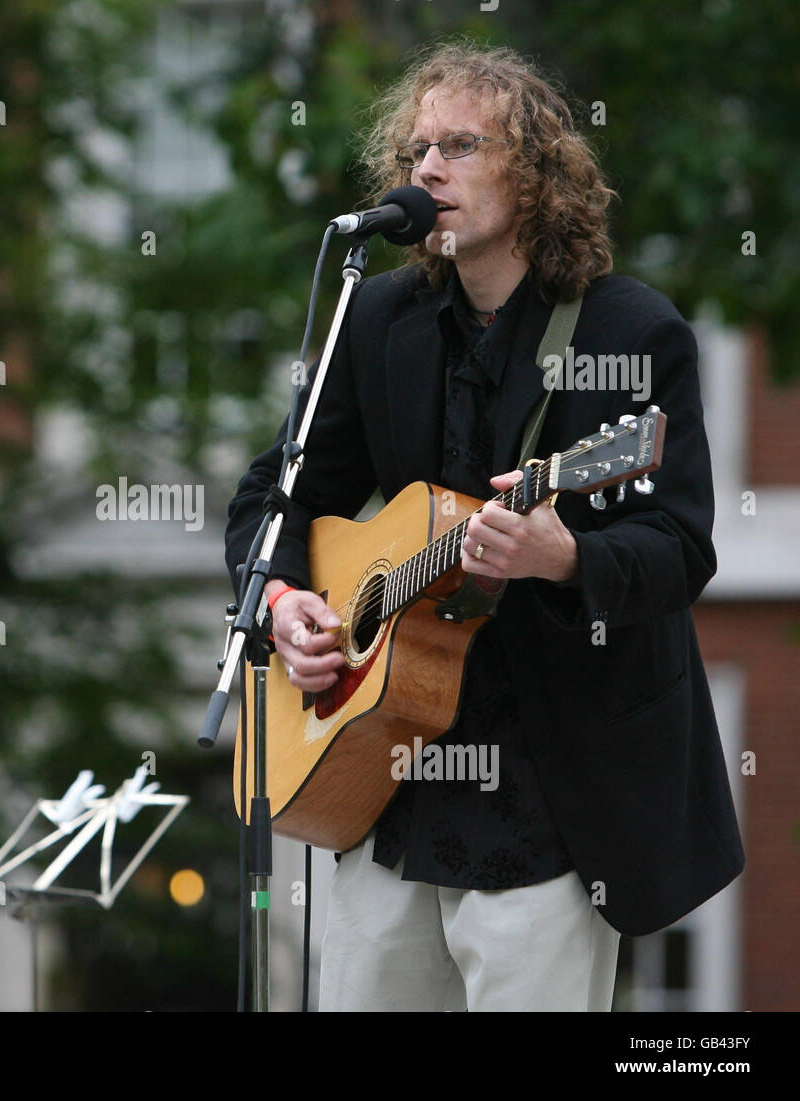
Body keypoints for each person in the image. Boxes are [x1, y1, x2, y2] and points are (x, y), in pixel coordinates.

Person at [224, 42, 744, 1011]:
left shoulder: (629, 335)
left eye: (459, 144)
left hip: (552, 797)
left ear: (535, 174)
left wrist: (564, 555)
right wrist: (287, 600)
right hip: (389, 774)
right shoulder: (379, 321)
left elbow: (680, 547)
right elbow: (276, 493)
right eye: (416, 149)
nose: (426, 170)